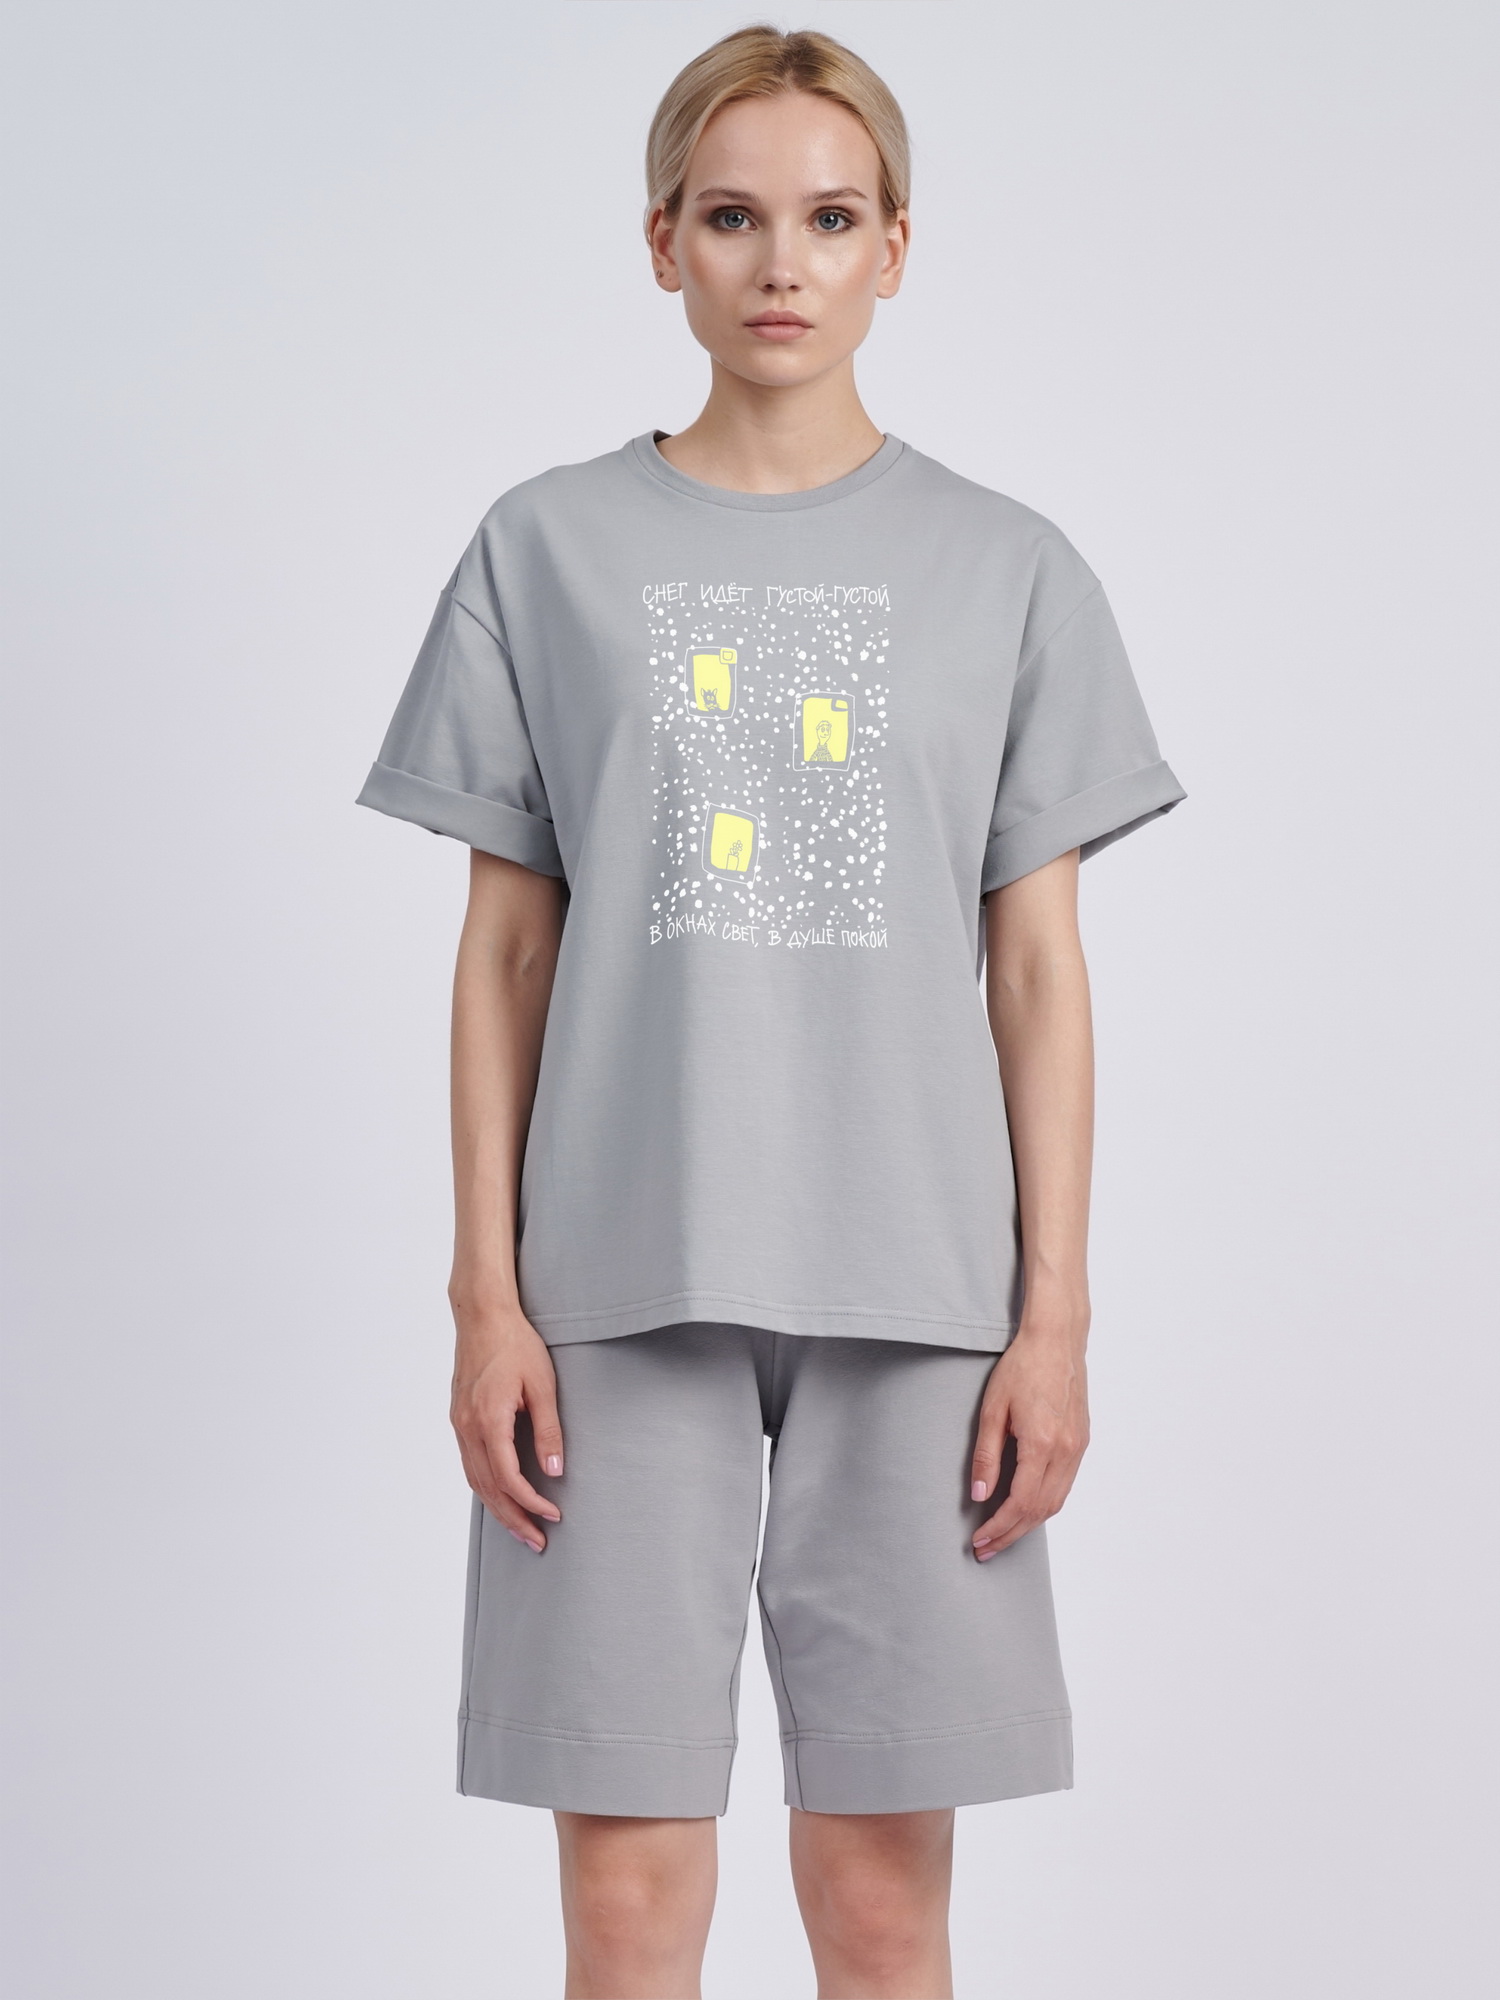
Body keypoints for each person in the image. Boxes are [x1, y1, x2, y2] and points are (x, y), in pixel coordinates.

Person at [356, 25, 1184, 2000]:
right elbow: (504, 953)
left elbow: (1041, 970)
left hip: (921, 1306)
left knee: (885, 1909)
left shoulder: (1010, 570)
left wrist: (1054, 1318)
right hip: (614, 1295)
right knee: (629, 1909)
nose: (781, 264)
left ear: (897, 247)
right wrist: (486, 1299)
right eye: (732, 218)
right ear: (663, 244)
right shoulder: (544, 549)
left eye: (829, 219)